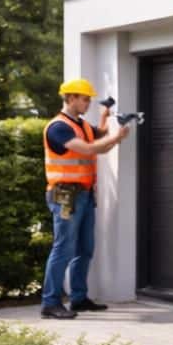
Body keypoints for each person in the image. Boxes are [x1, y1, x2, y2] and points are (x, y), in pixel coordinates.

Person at [41, 78, 131, 319]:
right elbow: (90, 149)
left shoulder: (81, 125)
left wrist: (107, 117)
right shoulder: (59, 127)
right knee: (63, 249)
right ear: (70, 98)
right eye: (85, 98)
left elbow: (99, 137)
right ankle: (50, 303)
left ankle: (78, 299)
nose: (88, 102)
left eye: (90, 99)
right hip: (65, 195)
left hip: (84, 194)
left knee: (85, 248)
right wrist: (117, 137)